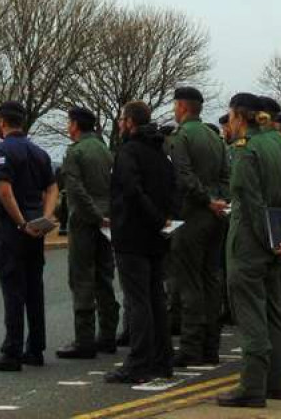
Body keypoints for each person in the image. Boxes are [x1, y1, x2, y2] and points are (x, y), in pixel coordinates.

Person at [217, 93, 281, 409]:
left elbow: (250, 203)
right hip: (275, 241)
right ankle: (275, 382)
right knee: (274, 313)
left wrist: (266, 240)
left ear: (238, 116)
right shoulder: (275, 143)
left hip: (249, 245)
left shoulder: (245, 150)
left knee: (250, 316)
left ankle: (252, 386)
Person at [0, 101, 58, 372]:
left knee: (13, 291)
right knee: (34, 289)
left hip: (13, 232)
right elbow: (52, 187)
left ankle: (11, 351)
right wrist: (45, 218)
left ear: (2, 122)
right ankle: (35, 348)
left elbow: (4, 191)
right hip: (37, 230)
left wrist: (22, 223)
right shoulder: (39, 153)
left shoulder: (2, 151)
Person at [105, 101, 177, 384]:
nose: (120, 123)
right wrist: (165, 219)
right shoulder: (161, 152)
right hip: (157, 235)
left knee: (138, 301)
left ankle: (139, 362)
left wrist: (154, 217)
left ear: (130, 122)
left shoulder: (128, 152)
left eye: (122, 119)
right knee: (156, 297)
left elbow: (132, 191)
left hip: (133, 233)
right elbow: (173, 187)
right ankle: (162, 359)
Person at [168, 86, 230, 367]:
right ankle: (211, 346)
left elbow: (183, 175)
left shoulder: (181, 136)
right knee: (212, 281)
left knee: (189, 283)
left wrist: (206, 201)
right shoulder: (214, 137)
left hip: (193, 214)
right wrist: (220, 201)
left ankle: (191, 347)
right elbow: (227, 175)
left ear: (182, 106)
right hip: (217, 215)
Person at [56, 107, 120, 360]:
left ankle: (84, 340)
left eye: (69, 122)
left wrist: (94, 215)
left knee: (81, 277)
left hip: (85, 220)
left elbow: (75, 190)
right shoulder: (105, 151)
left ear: (75, 125)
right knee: (105, 276)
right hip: (107, 220)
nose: (67, 127)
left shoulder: (75, 152)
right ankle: (107, 335)